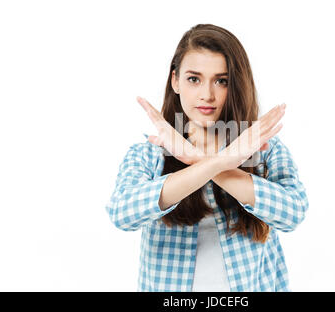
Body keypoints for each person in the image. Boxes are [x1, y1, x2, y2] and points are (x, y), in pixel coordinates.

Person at [105, 23, 309, 292]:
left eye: (221, 81)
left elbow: (292, 213)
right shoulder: (148, 152)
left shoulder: (263, 148)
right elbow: (122, 214)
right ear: (175, 81)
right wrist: (216, 162)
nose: (207, 95)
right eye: (194, 79)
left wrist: (201, 160)